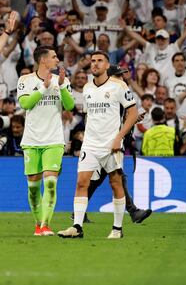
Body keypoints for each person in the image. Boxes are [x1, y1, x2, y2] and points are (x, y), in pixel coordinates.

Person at [58, 51, 138, 239]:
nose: (95, 64)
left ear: (107, 65)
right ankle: (77, 227)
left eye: (99, 61)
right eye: (93, 61)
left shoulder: (119, 86)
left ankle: (117, 229)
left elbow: (133, 114)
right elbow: (91, 116)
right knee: (81, 182)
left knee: (115, 183)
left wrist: (119, 137)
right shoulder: (87, 88)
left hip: (112, 144)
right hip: (90, 145)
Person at [18, 24, 75, 236]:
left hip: (54, 139)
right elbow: (25, 104)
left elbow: (69, 106)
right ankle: (37, 225)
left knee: (50, 184)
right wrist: (44, 87)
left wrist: (59, 85)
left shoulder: (64, 81)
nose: (57, 60)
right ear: (43, 60)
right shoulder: (25, 80)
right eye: (54, 57)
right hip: (32, 140)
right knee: (33, 188)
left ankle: (45, 225)